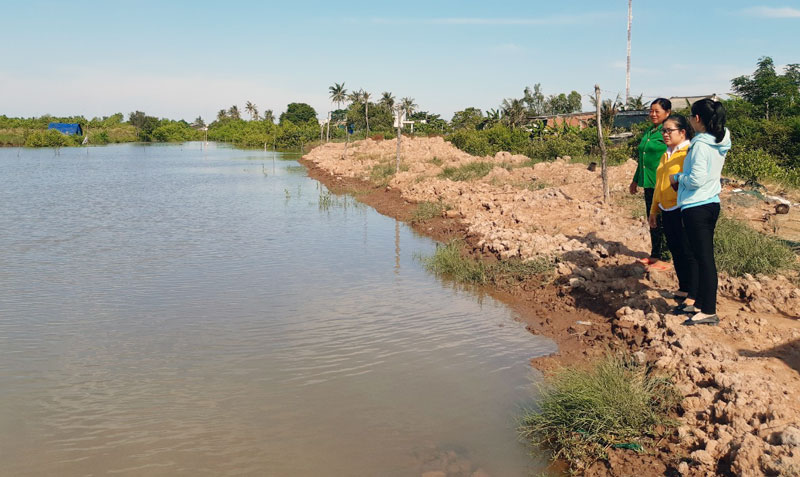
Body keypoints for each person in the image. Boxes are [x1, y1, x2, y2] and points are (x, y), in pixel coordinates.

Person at [670, 99, 731, 326]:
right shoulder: (719, 142)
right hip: (710, 203)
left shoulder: (701, 145)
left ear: (697, 119)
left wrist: (677, 178)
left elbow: (696, 179)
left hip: (697, 205)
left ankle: (708, 310)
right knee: (700, 256)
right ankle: (699, 304)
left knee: (704, 260)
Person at [648, 114, 698, 313]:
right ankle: (685, 288)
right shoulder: (666, 154)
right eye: (663, 131)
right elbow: (659, 185)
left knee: (689, 251)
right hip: (666, 209)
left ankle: (694, 294)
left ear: (682, 132)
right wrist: (654, 210)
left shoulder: (689, 152)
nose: (665, 134)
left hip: (682, 208)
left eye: (669, 130)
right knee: (676, 250)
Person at [631, 98, 671, 270]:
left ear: (667, 113)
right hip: (649, 184)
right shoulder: (649, 131)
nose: (653, 114)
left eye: (657, 111)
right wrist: (635, 180)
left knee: (665, 221)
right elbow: (642, 160)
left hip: (664, 184)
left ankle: (666, 257)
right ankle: (655, 254)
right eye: (651, 111)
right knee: (652, 220)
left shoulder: (668, 132)